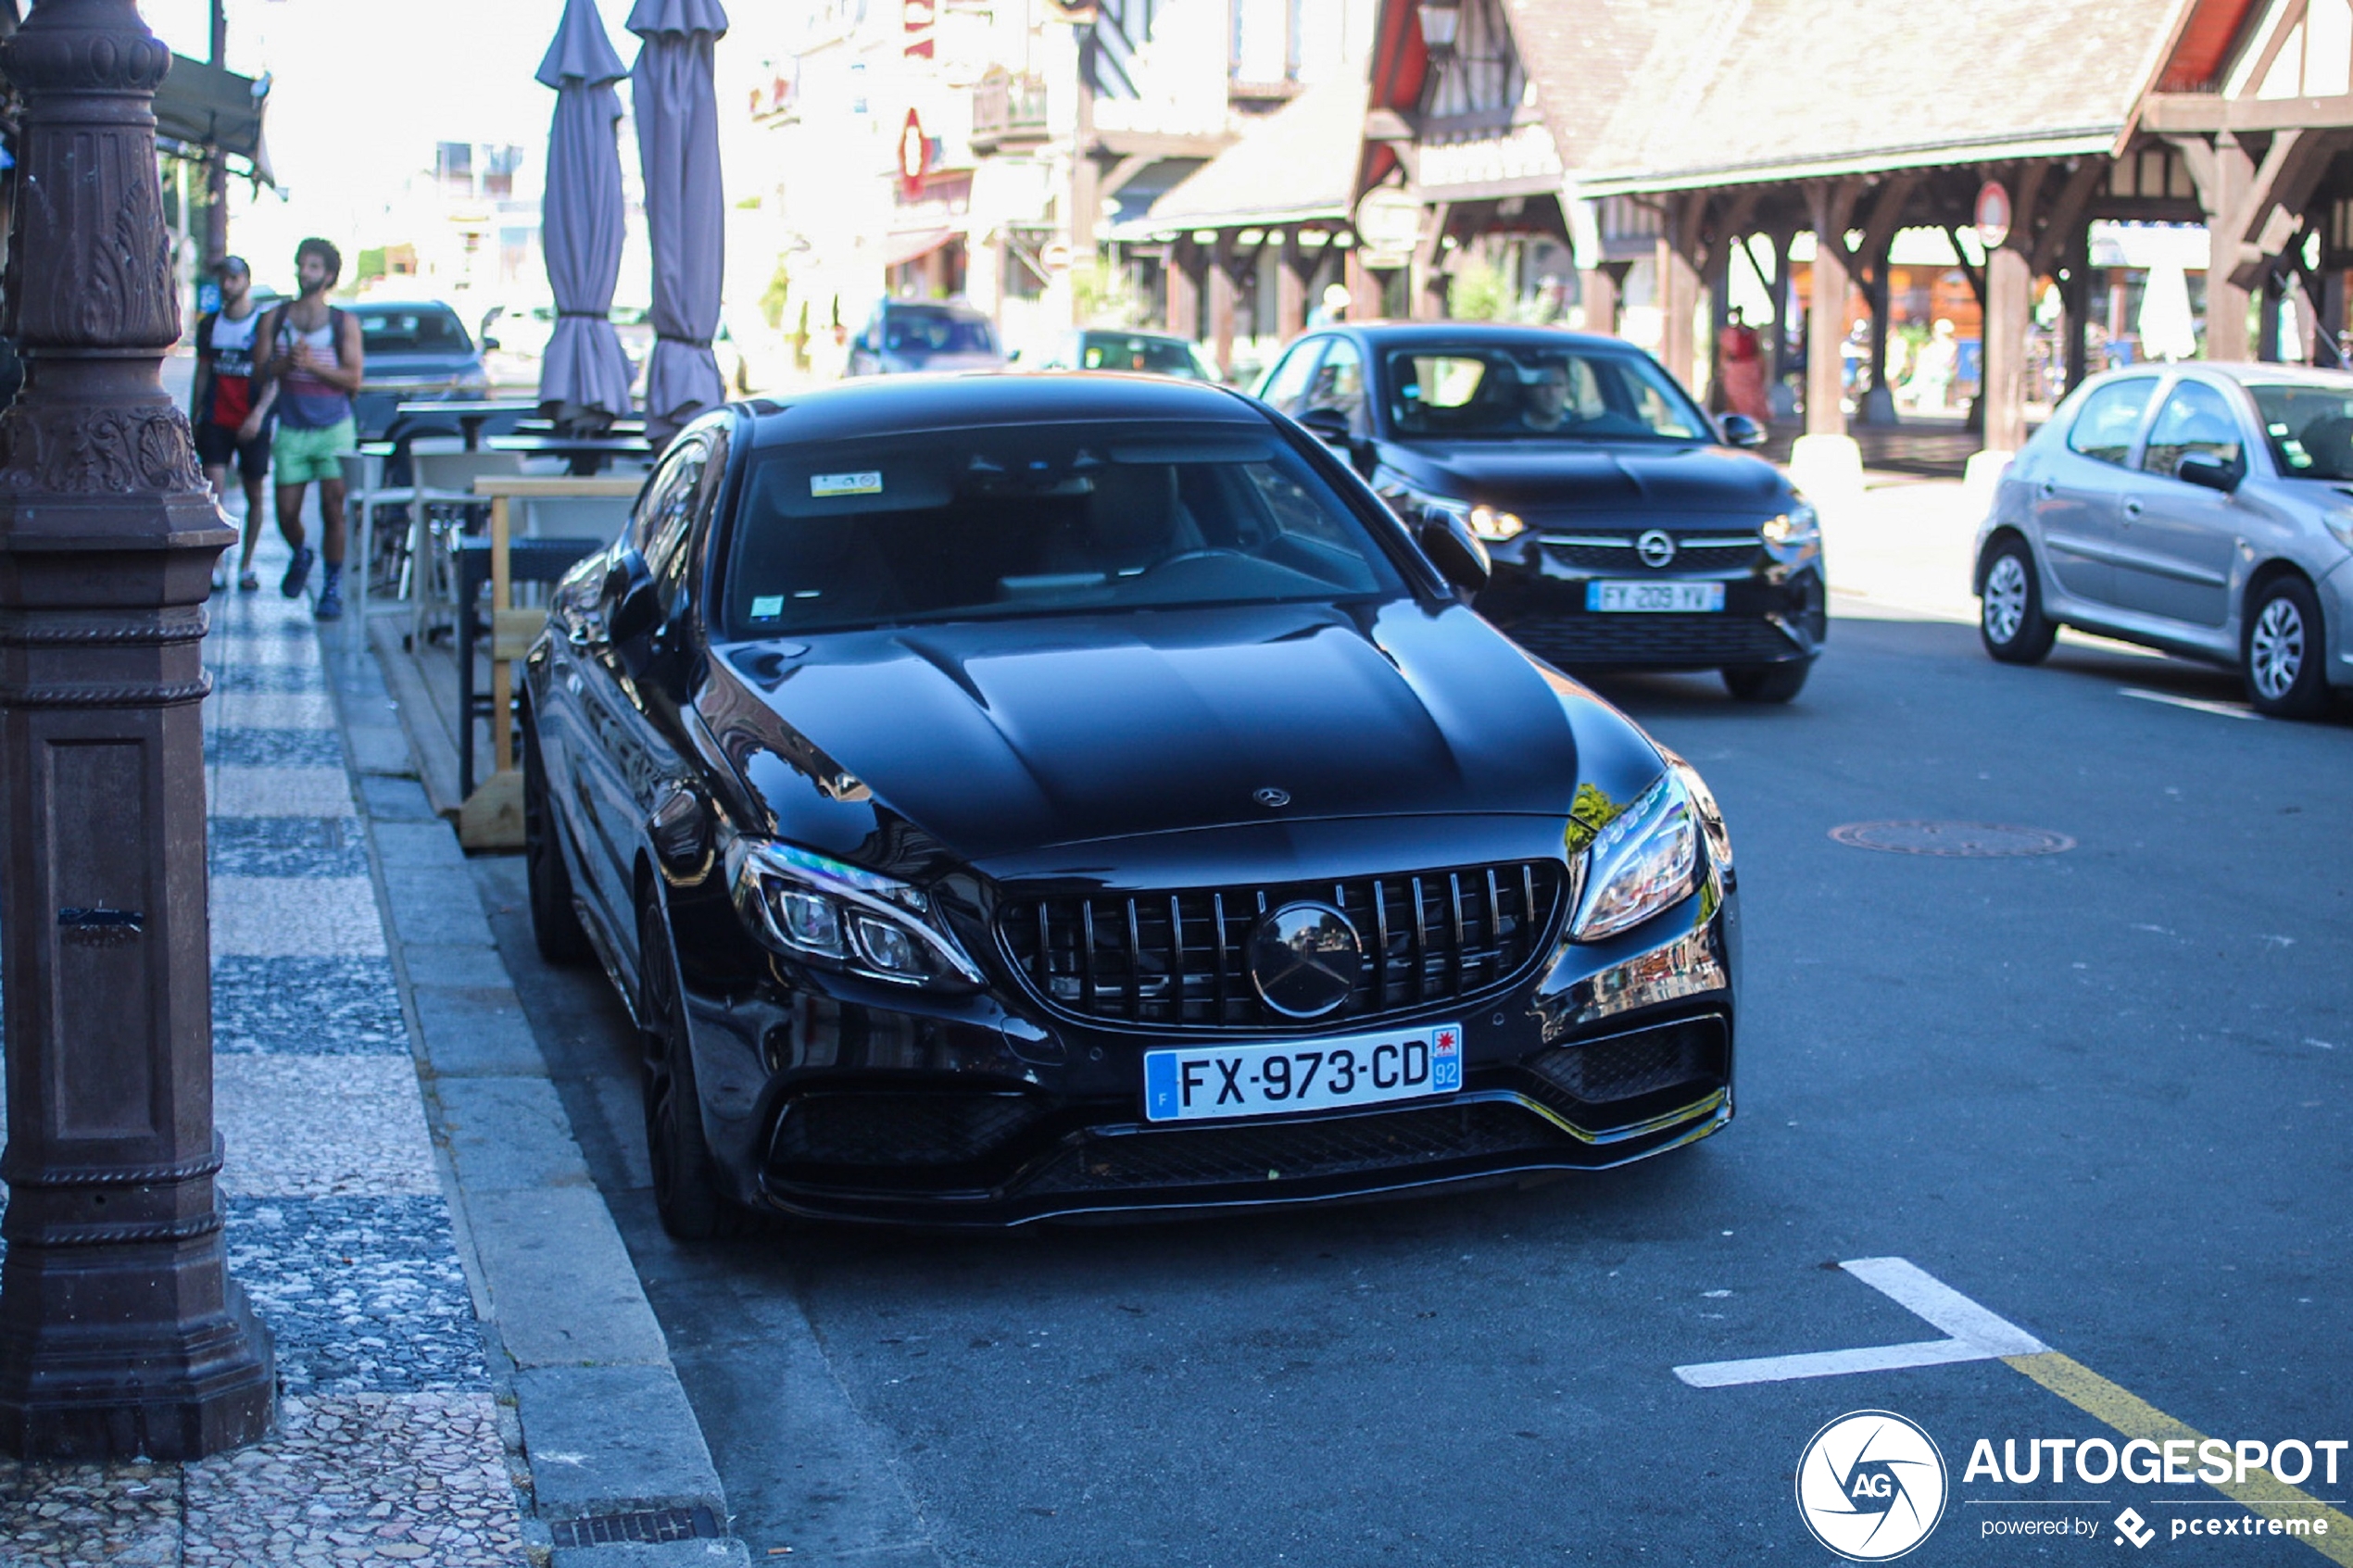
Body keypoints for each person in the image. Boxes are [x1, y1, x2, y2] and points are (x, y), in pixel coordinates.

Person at [252, 238, 364, 620]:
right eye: (302, 264)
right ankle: (301, 552)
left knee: (334, 508)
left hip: (334, 427)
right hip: (292, 427)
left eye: (314, 266)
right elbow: (259, 371)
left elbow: (354, 378)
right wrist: (286, 365)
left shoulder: (342, 323)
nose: (305, 272)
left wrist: (313, 366)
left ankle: (331, 587)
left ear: (329, 275)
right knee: (286, 512)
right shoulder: (276, 318)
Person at [192, 256, 277, 592]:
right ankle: (217, 565)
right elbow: (202, 372)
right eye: (222, 279)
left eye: (233, 278)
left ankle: (247, 564)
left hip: (252, 420)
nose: (227, 285)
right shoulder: (209, 325)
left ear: (246, 280)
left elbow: (275, 376)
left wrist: (259, 414)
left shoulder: (263, 325)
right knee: (214, 493)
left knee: (256, 492)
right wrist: (194, 414)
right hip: (216, 418)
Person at [1717, 307, 1770, 421]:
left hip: (1739, 369)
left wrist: (1722, 370)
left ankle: (1745, 420)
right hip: (1748, 368)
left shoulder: (1730, 333)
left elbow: (1724, 353)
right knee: (1742, 397)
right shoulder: (1749, 333)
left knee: (1739, 397)